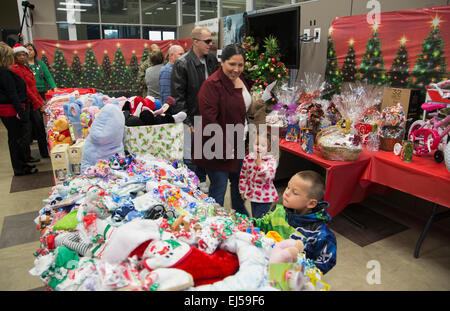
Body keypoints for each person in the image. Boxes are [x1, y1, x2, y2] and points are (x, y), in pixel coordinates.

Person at [195, 44, 250, 216]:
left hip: (239, 140)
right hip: (218, 145)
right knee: (218, 190)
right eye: (232, 64)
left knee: (238, 185)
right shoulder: (212, 85)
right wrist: (227, 146)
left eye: (240, 65)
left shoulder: (242, 80)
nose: (236, 69)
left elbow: (246, 108)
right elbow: (209, 120)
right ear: (222, 61)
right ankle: (213, 225)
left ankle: (241, 220)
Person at [252, 170, 337, 274]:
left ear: (311, 203)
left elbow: (326, 261)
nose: (286, 193)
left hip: (291, 277)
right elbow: (263, 224)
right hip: (266, 264)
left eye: (295, 192)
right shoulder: (278, 211)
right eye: (288, 187)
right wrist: (251, 224)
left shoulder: (320, 234)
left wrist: (306, 274)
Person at [171, 26, 219, 194]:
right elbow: (178, 96)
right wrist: (187, 121)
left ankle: (208, 189)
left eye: (211, 40)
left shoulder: (212, 61)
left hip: (212, 119)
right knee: (192, 158)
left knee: (211, 157)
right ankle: (195, 190)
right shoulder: (182, 63)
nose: (210, 44)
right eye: (207, 41)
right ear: (196, 42)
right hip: (193, 118)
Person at [0, 44, 38, 175]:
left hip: (11, 110)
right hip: (12, 111)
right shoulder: (5, 73)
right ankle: (19, 168)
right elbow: (12, 94)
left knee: (17, 139)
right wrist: (21, 113)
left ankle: (22, 164)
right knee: (16, 140)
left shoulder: (5, 71)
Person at [10, 43, 49, 161]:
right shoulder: (15, 69)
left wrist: (41, 101)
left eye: (24, 55)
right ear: (14, 56)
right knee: (27, 131)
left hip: (34, 101)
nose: (22, 57)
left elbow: (33, 87)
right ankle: (26, 157)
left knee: (40, 127)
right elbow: (26, 89)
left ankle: (44, 152)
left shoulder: (25, 67)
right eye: (19, 55)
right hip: (27, 103)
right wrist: (38, 103)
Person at [239, 130, 279, 218]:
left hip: (266, 197)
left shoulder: (271, 161)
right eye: (256, 144)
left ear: (268, 148)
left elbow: (269, 178)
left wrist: (260, 166)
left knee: (259, 219)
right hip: (253, 196)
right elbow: (243, 176)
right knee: (255, 217)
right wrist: (242, 190)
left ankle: (259, 231)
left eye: (263, 145)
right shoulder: (248, 158)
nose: (258, 147)